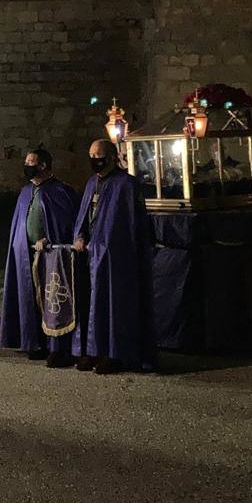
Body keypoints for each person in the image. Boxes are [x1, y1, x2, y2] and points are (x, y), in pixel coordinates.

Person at [71, 139, 157, 374]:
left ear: (110, 157)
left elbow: (132, 225)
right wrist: (80, 236)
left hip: (116, 259)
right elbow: (85, 216)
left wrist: (110, 246)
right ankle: (91, 350)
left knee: (112, 305)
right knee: (90, 303)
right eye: (90, 155)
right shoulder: (91, 184)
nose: (94, 159)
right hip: (90, 257)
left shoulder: (127, 185)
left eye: (98, 155)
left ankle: (115, 353)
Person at [0, 148, 80, 365]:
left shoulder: (60, 192)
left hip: (50, 255)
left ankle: (55, 345)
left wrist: (49, 240)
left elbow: (66, 225)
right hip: (25, 253)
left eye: (31, 162)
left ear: (43, 165)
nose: (27, 166)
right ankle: (32, 342)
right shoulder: (25, 192)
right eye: (26, 162)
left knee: (52, 300)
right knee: (28, 299)